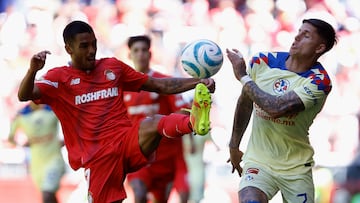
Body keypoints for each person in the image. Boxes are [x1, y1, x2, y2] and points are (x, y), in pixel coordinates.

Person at [17, 20, 214, 203]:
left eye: (93, 44)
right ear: (69, 49)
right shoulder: (59, 78)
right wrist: (32, 70)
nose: (91, 51)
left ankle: (192, 122)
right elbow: (24, 95)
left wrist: (198, 82)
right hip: (98, 159)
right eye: (84, 46)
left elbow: (158, 85)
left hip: (126, 141)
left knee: (154, 122)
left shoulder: (112, 67)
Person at [226, 18, 337, 203]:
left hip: (296, 169)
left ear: (319, 48)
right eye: (299, 31)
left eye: (306, 35)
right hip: (259, 162)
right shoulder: (262, 62)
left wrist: (243, 77)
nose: (297, 37)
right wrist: (233, 145)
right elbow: (245, 102)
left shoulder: (319, 82)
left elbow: (275, 108)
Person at [124, 35, 190, 203]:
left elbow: (182, 111)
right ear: (129, 55)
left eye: (144, 50)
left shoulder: (164, 82)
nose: (140, 54)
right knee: (139, 194)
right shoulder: (123, 86)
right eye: (136, 51)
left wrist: (189, 120)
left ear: (150, 54)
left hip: (165, 158)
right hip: (137, 155)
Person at [8, 101, 66, 203]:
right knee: (49, 195)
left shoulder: (53, 108)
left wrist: (68, 141)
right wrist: (21, 144)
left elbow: (71, 123)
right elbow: (10, 139)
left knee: (47, 194)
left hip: (54, 160)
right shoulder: (22, 114)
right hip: (36, 165)